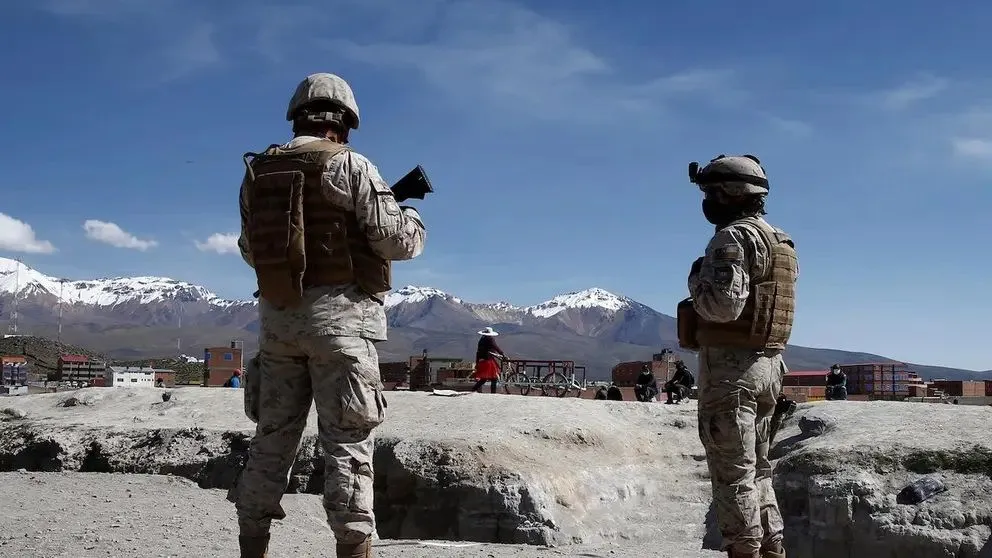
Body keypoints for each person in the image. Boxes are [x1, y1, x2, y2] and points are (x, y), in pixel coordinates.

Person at [228, 72, 427, 558]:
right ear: (345, 123)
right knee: (347, 447)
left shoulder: (258, 174)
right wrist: (413, 219)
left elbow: (249, 250)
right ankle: (353, 548)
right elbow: (395, 241)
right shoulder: (352, 166)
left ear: (297, 116)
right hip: (341, 327)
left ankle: (252, 544)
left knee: (270, 441)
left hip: (278, 326)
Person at [677, 154, 798, 558]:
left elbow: (721, 308)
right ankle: (772, 548)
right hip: (769, 366)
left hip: (732, 371)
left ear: (730, 193)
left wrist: (696, 278)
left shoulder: (732, 238)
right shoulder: (781, 241)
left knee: (732, 476)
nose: (707, 202)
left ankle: (744, 551)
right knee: (759, 470)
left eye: (711, 192)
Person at [472, 327, 506, 394]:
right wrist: (502, 354)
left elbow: (478, 352)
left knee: (484, 378)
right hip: (488, 360)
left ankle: (473, 389)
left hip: (482, 360)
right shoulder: (490, 339)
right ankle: (493, 393)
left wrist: (477, 361)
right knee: (494, 378)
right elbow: (496, 347)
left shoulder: (482, 339)